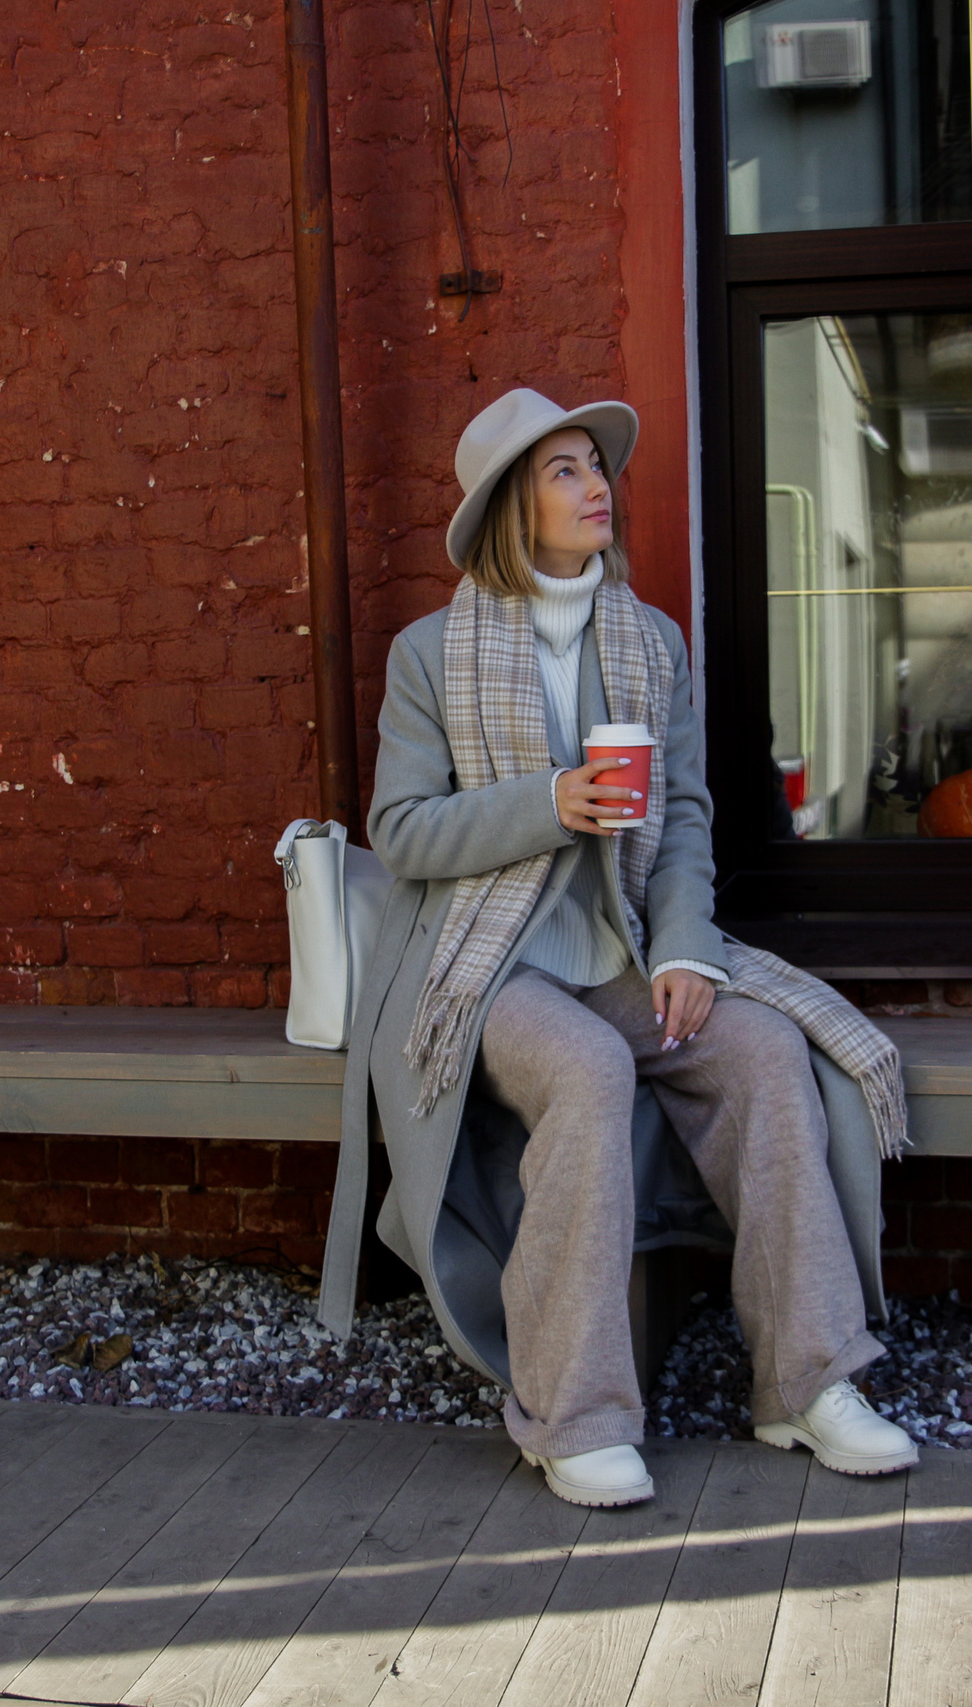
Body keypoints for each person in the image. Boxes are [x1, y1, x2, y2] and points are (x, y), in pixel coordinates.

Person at [314, 388, 918, 1508]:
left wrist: (686, 951)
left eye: (595, 466)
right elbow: (399, 832)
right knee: (587, 1073)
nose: (596, 487)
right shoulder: (429, 654)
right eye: (563, 471)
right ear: (510, 504)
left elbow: (682, 817)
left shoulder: (650, 641)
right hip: (482, 965)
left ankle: (810, 1382)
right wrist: (554, 802)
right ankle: (573, 1414)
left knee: (763, 1052)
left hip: (629, 949)